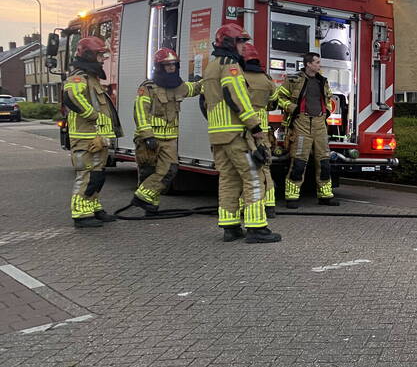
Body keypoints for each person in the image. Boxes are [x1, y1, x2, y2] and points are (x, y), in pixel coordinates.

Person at [203, 23, 281, 243]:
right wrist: (255, 127)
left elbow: (205, 101)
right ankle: (257, 228)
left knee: (228, 179)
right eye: (240, 41)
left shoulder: (211, 67)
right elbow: (237, 97)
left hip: (218, 135)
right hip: (236, 134)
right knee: (254, 177)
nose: (243, 46)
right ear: (229, 42)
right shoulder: (230, 65)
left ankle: (230, 227)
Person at [130, 48, 202, 215]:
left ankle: (141, 196)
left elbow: (195, 88)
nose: (171, 67)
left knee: (170, 170)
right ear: (159, 66)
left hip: (169, 138)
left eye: (174, 64)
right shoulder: (148, 87)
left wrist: (212, 78)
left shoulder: (178, 86)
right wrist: (147, 136)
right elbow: (140, 112)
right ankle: (151, 206)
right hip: (150, 139)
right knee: (149, 172)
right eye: (167, 65)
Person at [63, 36, 121, 228]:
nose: (103, 59)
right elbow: (71, 96)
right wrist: (93, 116)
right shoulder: (79, 77)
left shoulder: (92, 78)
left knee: (97, 176)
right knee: (86, 176)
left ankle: (93, 207)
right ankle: (81, 214)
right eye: (100, 55)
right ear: (88, 55)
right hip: (85, 137)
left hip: (96, 137)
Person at [273, 52, 340, 209]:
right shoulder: (293, 80)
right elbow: (279, 98)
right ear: (308, 64)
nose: (319, 65)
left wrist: (327, 112)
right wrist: (293, 108)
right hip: (301, 123)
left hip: (320, 124)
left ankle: (325, 196)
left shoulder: (322, 81)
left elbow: (328, 99)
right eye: (317, 62)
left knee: (324, 162)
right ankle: (292, 197)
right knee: (299, 162)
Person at [239, 43, 278, 218]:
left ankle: (243, 206)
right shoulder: (267, 79)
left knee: (245, 168)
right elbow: (274, 102)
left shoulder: (239, 77)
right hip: (262, 128)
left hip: (244, 126)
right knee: (265, 167)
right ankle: (269, 205)